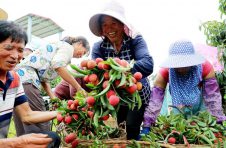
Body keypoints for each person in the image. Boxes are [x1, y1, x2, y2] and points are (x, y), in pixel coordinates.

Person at [89, 1, 154, 140]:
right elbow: (94, 72)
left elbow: (148, 64)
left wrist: (121, 68)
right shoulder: (99, 47)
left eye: (114, 23)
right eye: (104, 25)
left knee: (131, 127)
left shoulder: (135, 40)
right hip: (116, 96)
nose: (109, 28)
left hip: (137, 93)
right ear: (101, 29)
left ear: (122, 24)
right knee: (120, 126)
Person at [141, 40, 226, 135]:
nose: (181, 69)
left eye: (184, 64)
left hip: (200, 103)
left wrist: (218, 120)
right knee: (178, 131)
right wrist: (147, 124)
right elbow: (155, 101)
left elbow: (212, 97)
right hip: (176, 103)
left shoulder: (205, 67)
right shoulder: (165, 72)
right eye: (177, 65)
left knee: (202, 130)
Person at [14, 36, 90, 136]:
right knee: (41, 124)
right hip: (27, 80)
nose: (81, 56)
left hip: (17, 80)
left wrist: (53, 98)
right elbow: (57, 65)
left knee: (22, 124)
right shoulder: (67, 48)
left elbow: (44, 79)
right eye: (83, 52)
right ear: (79, 44)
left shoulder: (58, 47)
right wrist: (79, 88)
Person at [0, 20, 60, 147]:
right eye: (8, 48)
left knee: (51, 138)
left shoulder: (14, 79)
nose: (15, 56)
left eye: (20, 50)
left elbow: (27, 115)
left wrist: (63, 113)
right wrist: (17, 142)